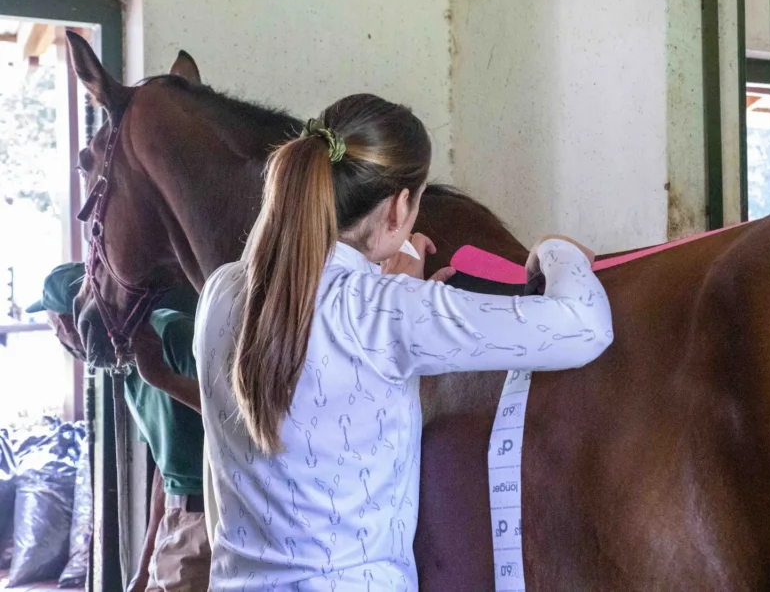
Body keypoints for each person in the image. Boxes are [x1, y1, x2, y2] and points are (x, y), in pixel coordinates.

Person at [194, 93, 613, 591]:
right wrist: (557, 251)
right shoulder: (382, 311)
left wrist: (399, 293)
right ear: (398, 208)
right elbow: (585, 326)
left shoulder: (220, 291)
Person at [29, 264, 211, 591]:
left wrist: (162, 378)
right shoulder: (125, 369)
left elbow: (233, 417)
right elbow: (165, 472)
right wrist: (144, 567)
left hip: (208, 520)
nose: (56, 334)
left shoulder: (171, 335)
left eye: (52, 323)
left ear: (69, 321)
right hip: (177, 518)